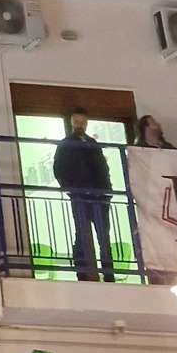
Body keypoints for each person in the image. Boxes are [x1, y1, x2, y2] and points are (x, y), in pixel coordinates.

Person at [54, 110, 116, 282]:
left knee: (103, 236)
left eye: (82, 121)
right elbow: (59, 169)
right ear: (72, 122)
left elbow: (103, 169)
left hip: (98, 197)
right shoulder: (66, 144)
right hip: (81, 196)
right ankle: (83, 272)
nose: (79, 125)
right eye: (76, 121)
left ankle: (108, 273)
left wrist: (106, 191)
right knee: (83, 235)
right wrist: (72, 190)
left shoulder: (92, 144)